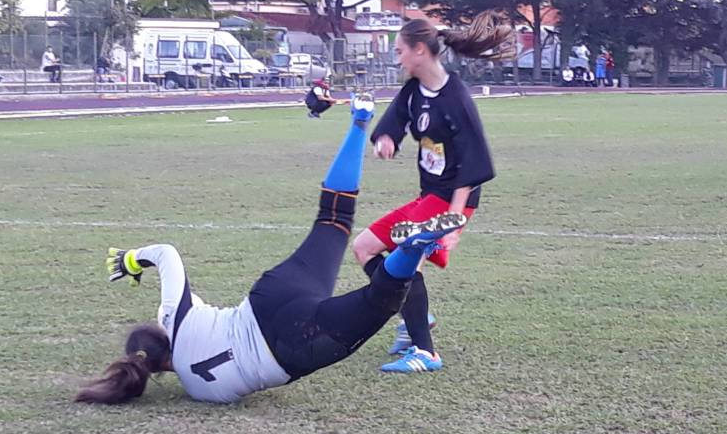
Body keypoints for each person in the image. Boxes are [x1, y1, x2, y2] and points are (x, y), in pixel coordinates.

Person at [76, 94, 468, 405]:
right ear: (161, 332)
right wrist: (131, 261)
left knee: (379, 301)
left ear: (158, 371)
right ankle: (359, 124)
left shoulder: (201, 391)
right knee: (333, 219)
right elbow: (166, 254)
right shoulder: (175, 318)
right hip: (270, 297)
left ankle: (413, 246)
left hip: (291, 348)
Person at [351, 12, 510, 374]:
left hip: (452, 200)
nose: (397, 58)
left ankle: (425, 350)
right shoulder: (413, 90)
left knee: (404, 261)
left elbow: (472, 166)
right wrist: (386, 139)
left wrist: (452, 225)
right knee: (364, 247)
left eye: (400, 50)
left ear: (420, 50)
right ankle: (415, 317)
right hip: (430, 198)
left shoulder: (457, 98)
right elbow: (394, 123)